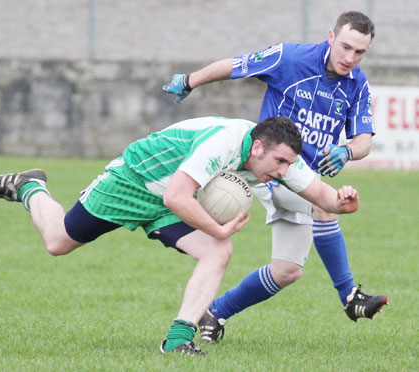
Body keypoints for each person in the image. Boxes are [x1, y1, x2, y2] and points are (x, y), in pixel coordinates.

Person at [0, 116, 360, 355]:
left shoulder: (278, 161)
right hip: (133, 181)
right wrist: (217, 227)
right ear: (258, 147)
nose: (282, 171)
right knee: (57, 242)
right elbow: (176, 194)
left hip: (171, 201)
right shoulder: (225, 142)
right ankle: (31, 186)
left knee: (218, 252)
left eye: (288, 164)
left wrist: (344, 200)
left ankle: (178, 339)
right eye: (279, 162)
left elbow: (322, 196)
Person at [162, 11, 388, 341]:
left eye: (360, 52)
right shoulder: (290, 58)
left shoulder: (357, 83)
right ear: (331, 37)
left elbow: (364, 140)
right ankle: (349, 296)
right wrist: (190, 80)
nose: (350, 58)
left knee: (287, 271)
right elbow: (236, 65)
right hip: (273, 171)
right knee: (323, 203)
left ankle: (216, 313)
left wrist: (348, 151)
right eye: (346, 47)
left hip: (303, 180)